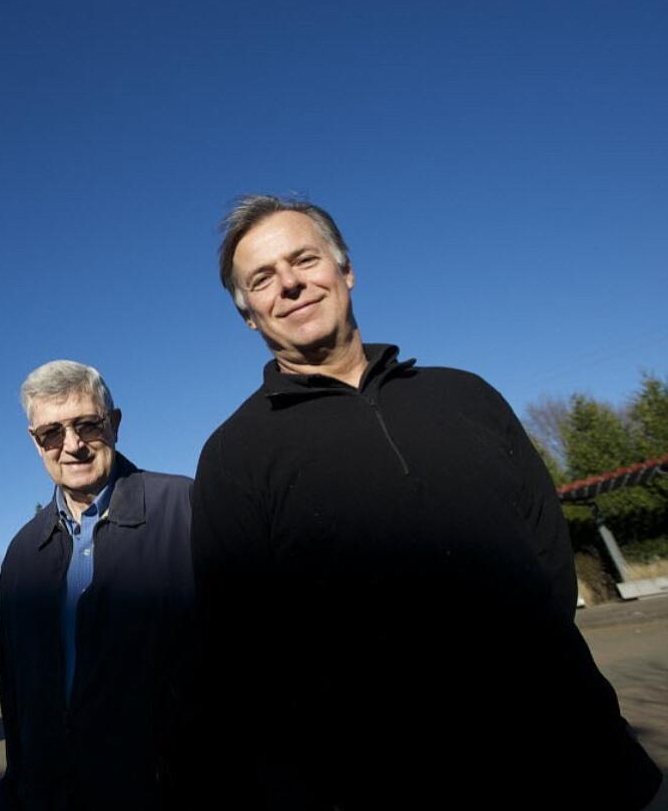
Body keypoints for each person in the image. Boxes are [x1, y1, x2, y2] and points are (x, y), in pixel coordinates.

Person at [191, 195, 662, 810]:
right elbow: (243, 648)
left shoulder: (467, 396)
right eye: (262, 279)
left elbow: (546, 556)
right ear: (250, 315)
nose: (290, 284)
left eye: (304, 259)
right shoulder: (233, 456)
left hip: (585, 760)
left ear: (345, 270)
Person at [0, 360, 194, 810]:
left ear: (115, 424)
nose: (72, 446)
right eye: (52, 433)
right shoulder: (23, 554)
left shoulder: (186, 511)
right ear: (35, 441)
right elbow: (14, 697)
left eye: (87, 425)